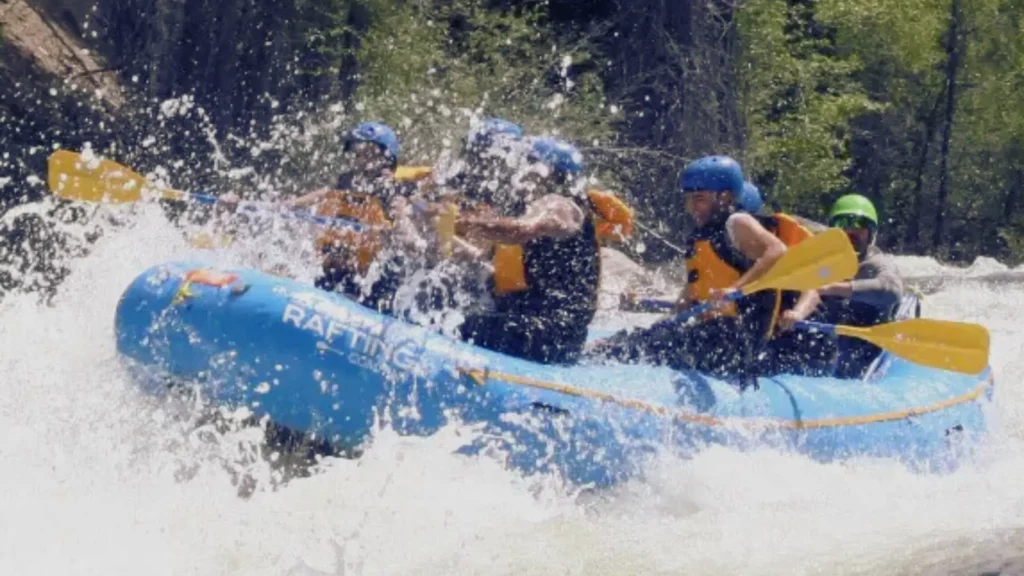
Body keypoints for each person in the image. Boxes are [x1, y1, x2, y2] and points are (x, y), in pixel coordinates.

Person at [589, 155, 788, 380]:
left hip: (735, 339)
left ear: (725, 196)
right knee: (629, 340)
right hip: (711, 331)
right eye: (690, 198)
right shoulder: (701, 236)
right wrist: (666, 321)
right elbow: (693, 288)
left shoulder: (737, 222)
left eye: (700, 198)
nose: (693, 206)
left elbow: (778, 250)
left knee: (648, 346)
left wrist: (736, 289)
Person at [449, 136, 601, 364]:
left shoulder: (560, 204)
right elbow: (487, 260)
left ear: (548, 172)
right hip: (538, 325)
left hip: (552, 335)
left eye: (528, 164)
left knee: (454, 323)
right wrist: (450, 241)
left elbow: (520, 230)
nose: (519, 172)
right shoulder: (538, 206)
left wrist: (462, 222)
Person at [776, 194, 904, 378]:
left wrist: (832, 288)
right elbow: (810, 288)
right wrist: (797, 314)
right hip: (828, 343)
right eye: (843, 223)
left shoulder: (875, 264)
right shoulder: (823, 261)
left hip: (865, 345)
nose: (851, 231)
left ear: (870, 234)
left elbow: (892, 290)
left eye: (859, 225)